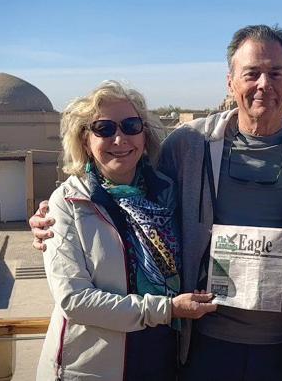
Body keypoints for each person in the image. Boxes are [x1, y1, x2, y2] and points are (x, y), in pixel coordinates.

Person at [32, 25, 282, 381]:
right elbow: (120, 178)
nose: (264, 84)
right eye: (251, 74)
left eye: (276, 73)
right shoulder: (190, 145)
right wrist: (51, 217)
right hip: (202, 343)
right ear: (231, 82)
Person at [36, 82, 216, 380]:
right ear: (85, 141)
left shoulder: (168, 195)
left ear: (144, 135)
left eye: (131, 126)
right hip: (94, 368)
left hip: (162, 360)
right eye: (104, 129)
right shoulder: (68, 203)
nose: (120, 139)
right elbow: (74, 300)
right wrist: (167, 309)